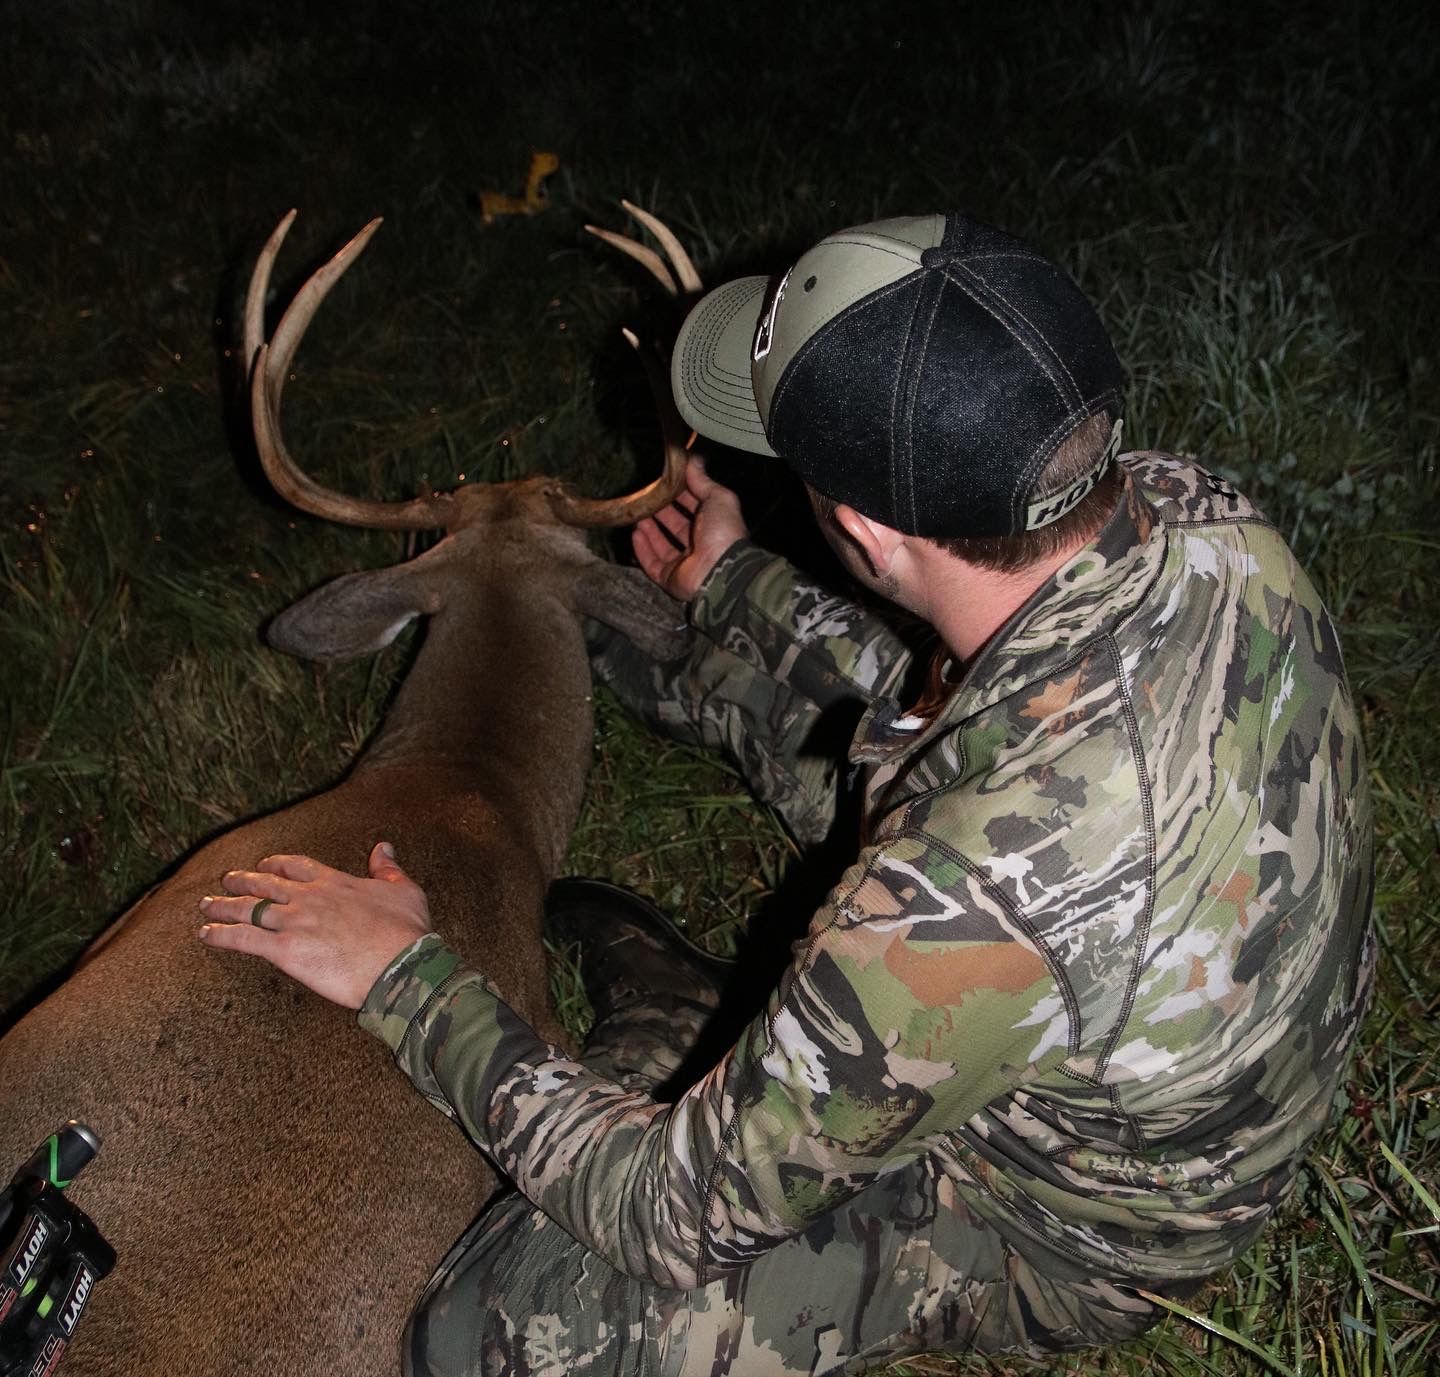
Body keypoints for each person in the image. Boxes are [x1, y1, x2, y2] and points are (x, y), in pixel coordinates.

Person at [198, 212, 1376, 1375]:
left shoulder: (965, 896)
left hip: (1060, 1225)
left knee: (493, 1332)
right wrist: (732, 582)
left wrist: (406, 976)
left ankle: (667, 1026)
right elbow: (960, 698)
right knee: (776, 719)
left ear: (861, 524)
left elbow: (667, 1215)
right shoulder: (1189, 509)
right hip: (1175, 983)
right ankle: (764, 1045)